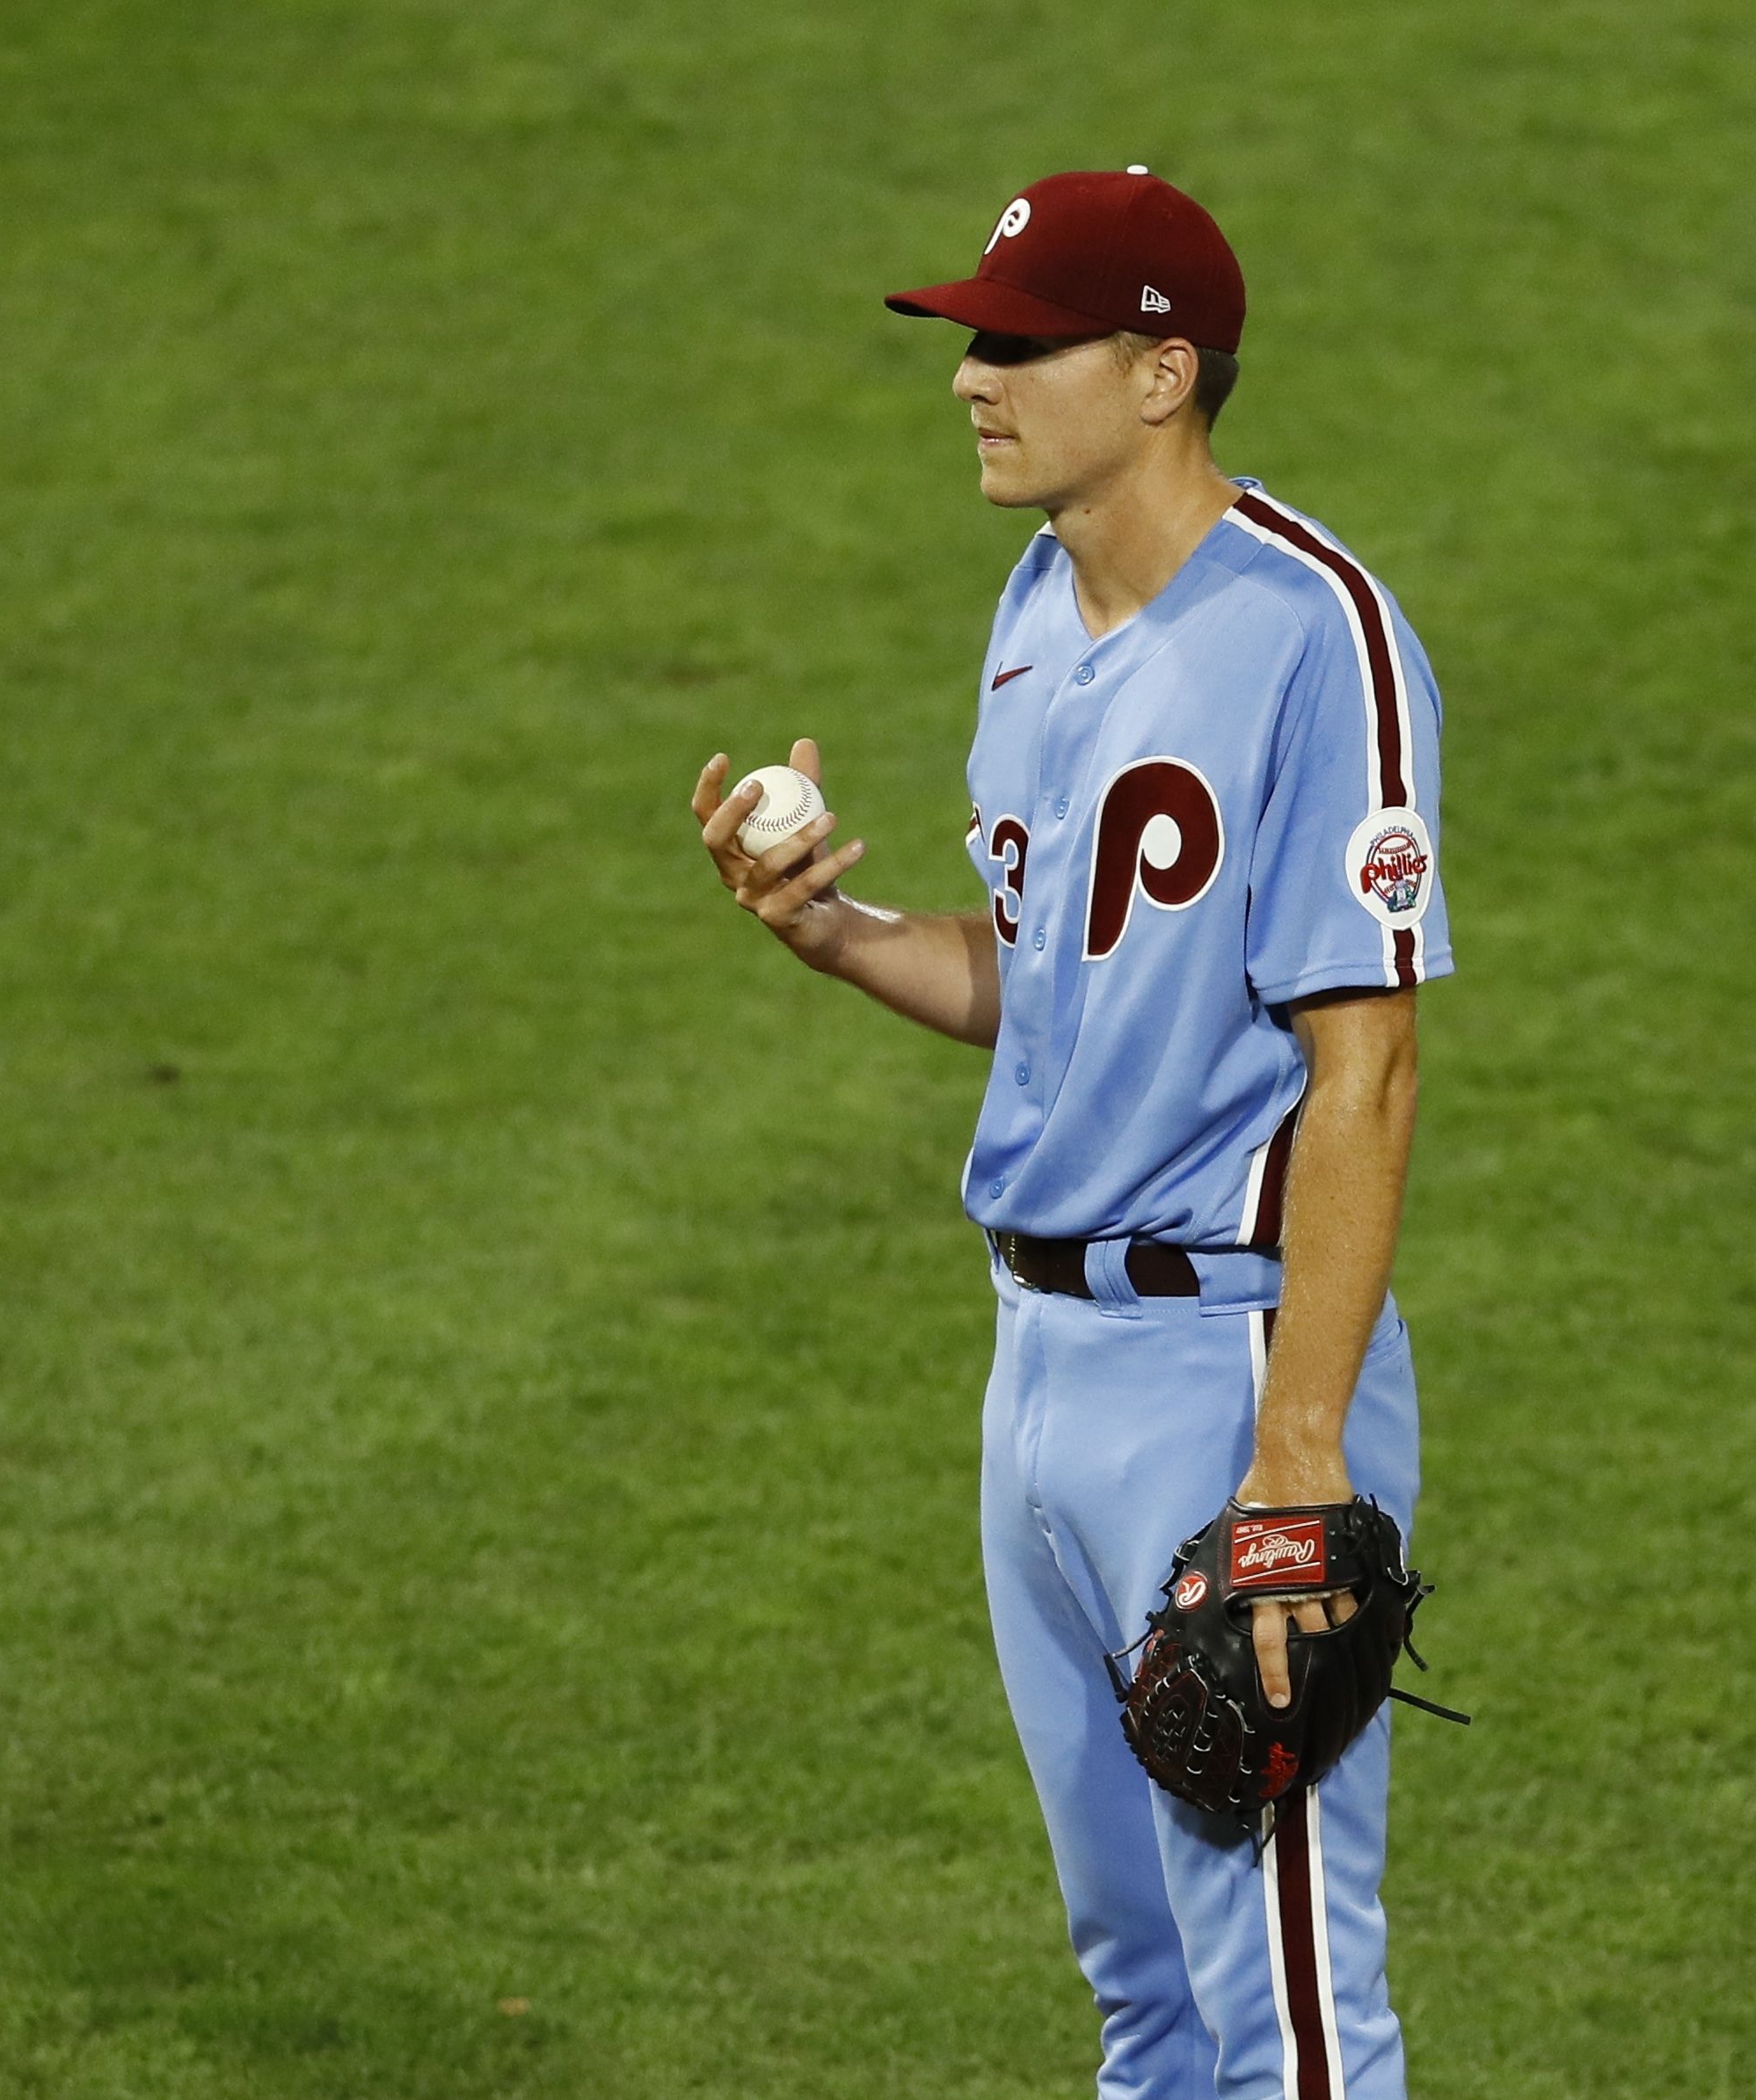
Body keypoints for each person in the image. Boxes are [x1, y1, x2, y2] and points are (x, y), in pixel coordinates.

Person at [688, 168, 1454, 2100]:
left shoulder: (1315, 633)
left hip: (1226, 1381)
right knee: (1153, 2015)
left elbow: (1366, 1065)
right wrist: (837, 936)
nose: (973, 375)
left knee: (1289, 2027)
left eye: (1023, 340)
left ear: (1164, 372)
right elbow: (1055, 984)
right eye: (974, 337)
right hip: (1036, 1375)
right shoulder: (1033, 617)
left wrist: (1296, 1459)